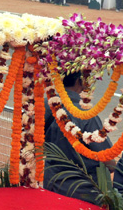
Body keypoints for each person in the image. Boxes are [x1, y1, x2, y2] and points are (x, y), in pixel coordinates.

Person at [44, 71, 115, 201]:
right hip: (81, 190)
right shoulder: (84, 115)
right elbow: (106, 155)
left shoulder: (44, 104)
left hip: (49, 182)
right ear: (79, 82)